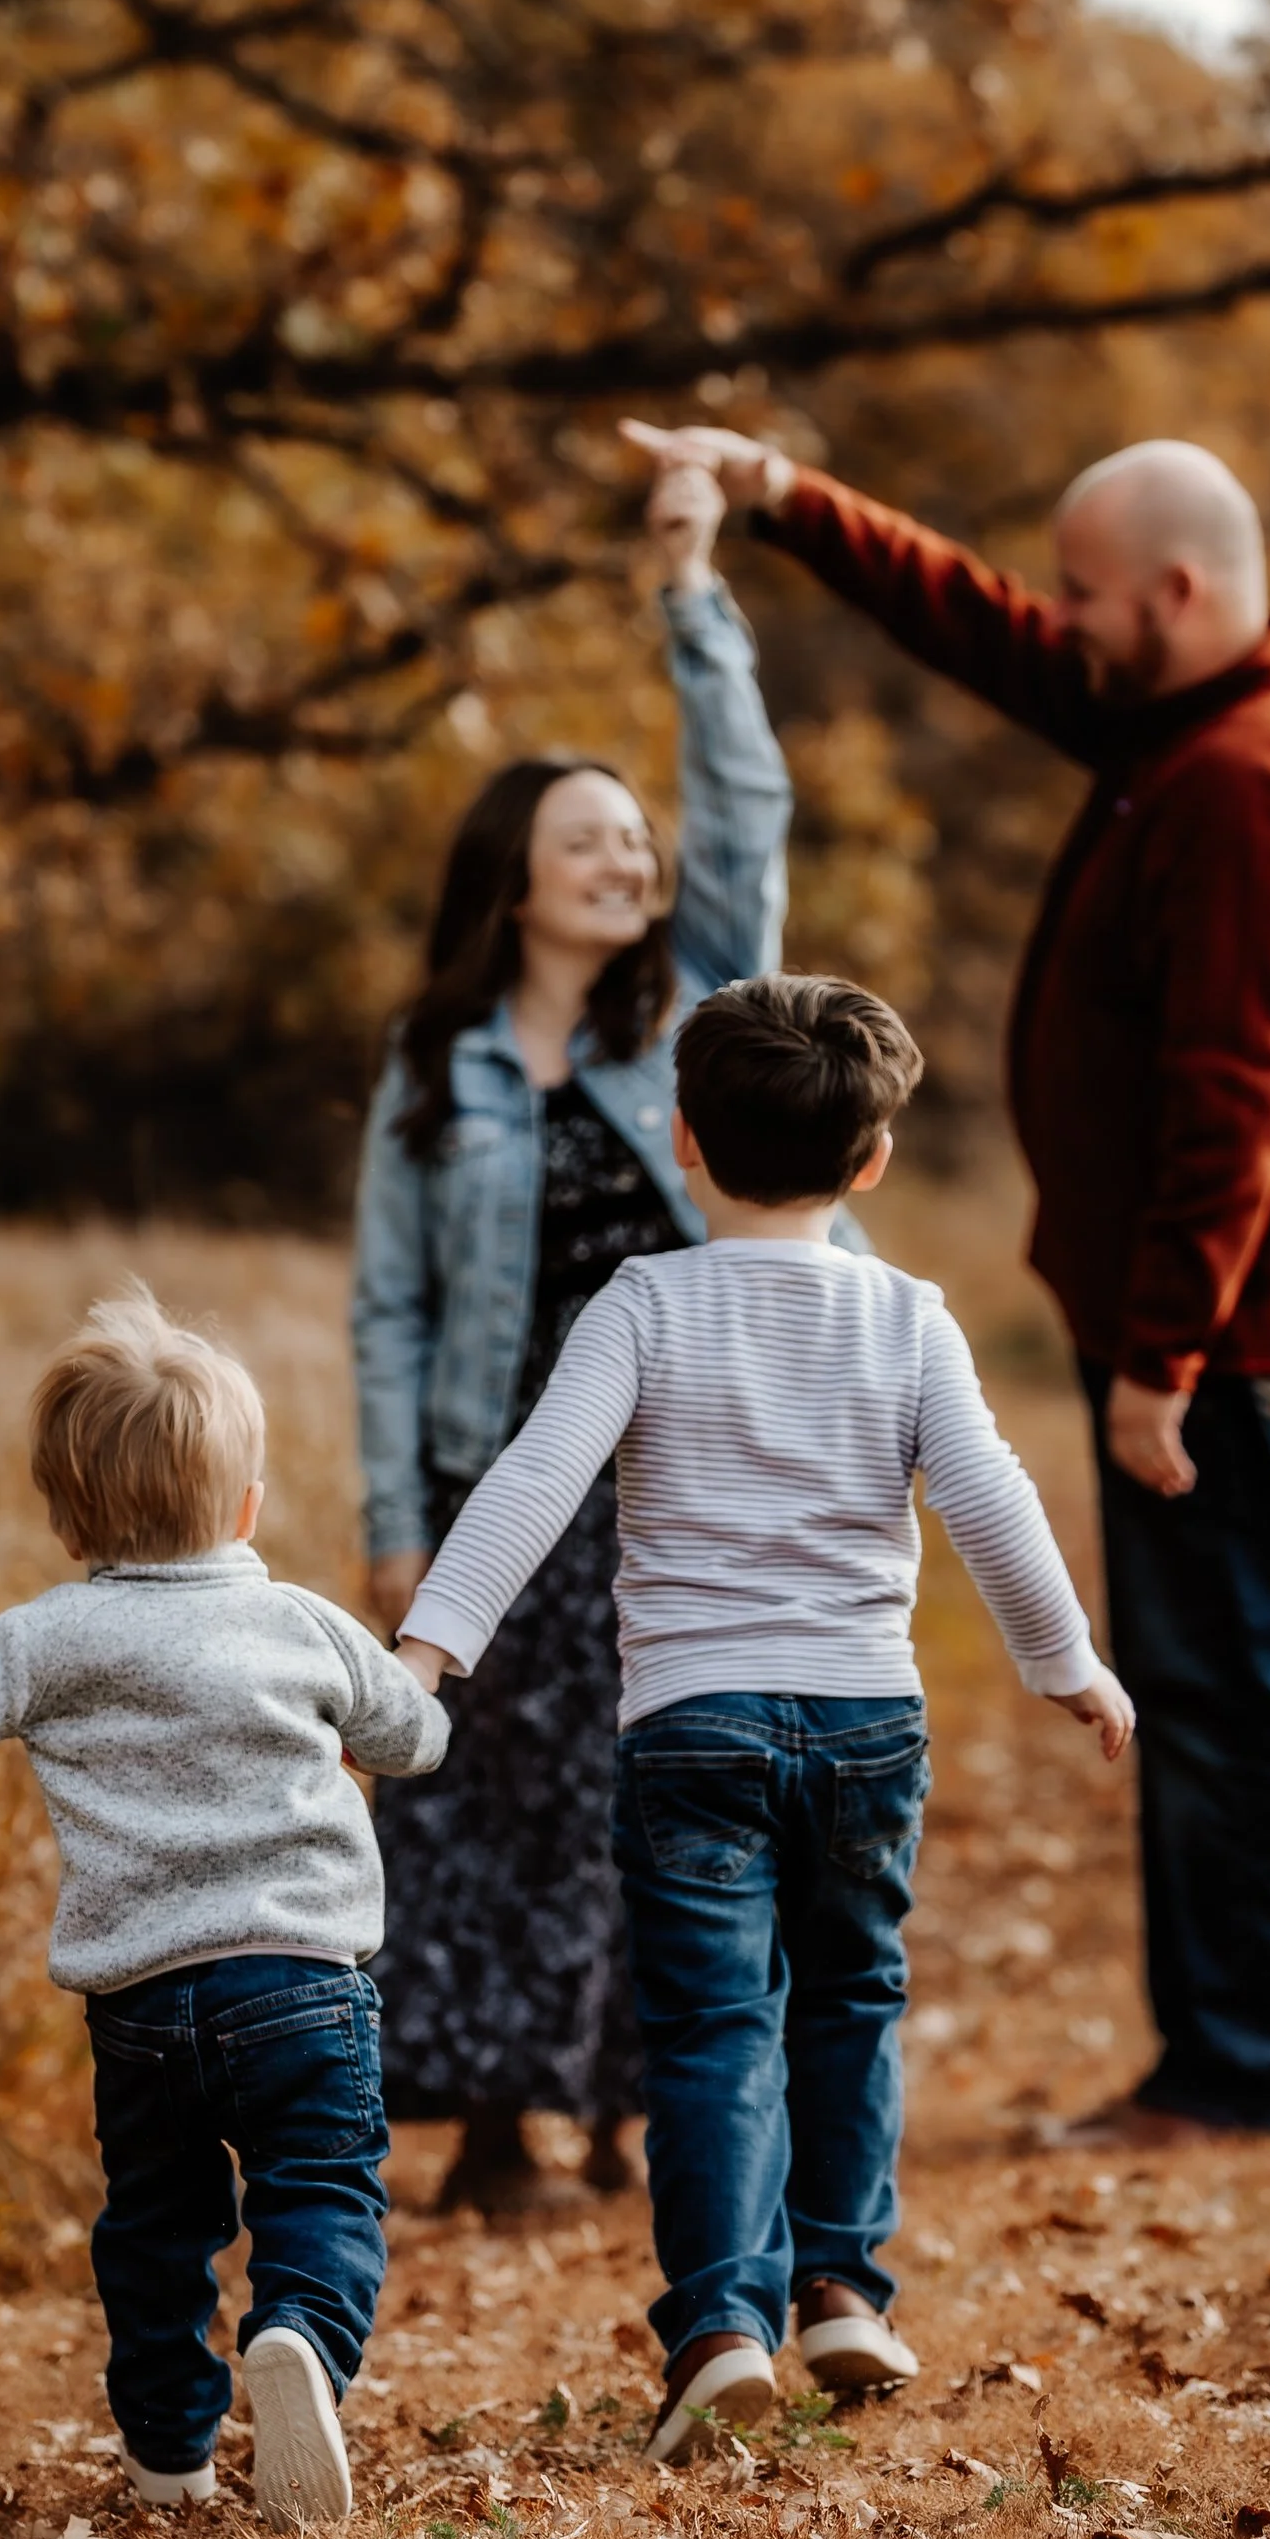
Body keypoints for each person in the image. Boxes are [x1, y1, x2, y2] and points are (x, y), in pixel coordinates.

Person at [617, 417, 1270, 2150]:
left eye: (1089, 593)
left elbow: (1234, 1094)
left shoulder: (1250, 780)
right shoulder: (1180, 716)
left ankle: (1239, 2071)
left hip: (1227, 1350)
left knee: (1225, 1702)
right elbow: (981, 624)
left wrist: (1162, 1355)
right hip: (1196, 1334)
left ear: (1179, 593)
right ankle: (1224, 2057)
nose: (1063, 619)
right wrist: (786, 494)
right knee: (1205, 1687)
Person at [396, 972, 1133, 2457]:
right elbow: (989, 1492)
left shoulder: (645, 1304)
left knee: (712, 2028)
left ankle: (722, 2326)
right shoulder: (907, 1314)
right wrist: (1067, 1655)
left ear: (682, 1139)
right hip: (867, 1723)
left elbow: (536, 1478)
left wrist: (430, 1647)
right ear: (873, 1161)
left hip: (694, 1726)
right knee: (853, 1999)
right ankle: (846, 2285)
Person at [353, 466, 842, 2218]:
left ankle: (646, 2111)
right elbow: (389, 1306)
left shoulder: (697, 1015)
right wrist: (395, 1509)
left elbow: (751, 806)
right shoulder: (437, 1070)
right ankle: (495, 2120)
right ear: (513, 881)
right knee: (495, 1801)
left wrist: (694, 598)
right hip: (509, 1485)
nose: (629, 859)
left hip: (694, 1472)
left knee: (674, 1778)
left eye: (636, 841)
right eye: (590, 840)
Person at [0, 1285, 447, 2526]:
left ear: (67, 1518)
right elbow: (414, 1742)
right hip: (302, 1981)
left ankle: (168, 2456)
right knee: (324, 2188)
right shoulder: (302, 1621)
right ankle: (299, 2339)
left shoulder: (46, 1639)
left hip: (142, 2007)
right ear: (245, 1505)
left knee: (155, 2230)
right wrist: (402, 1678)